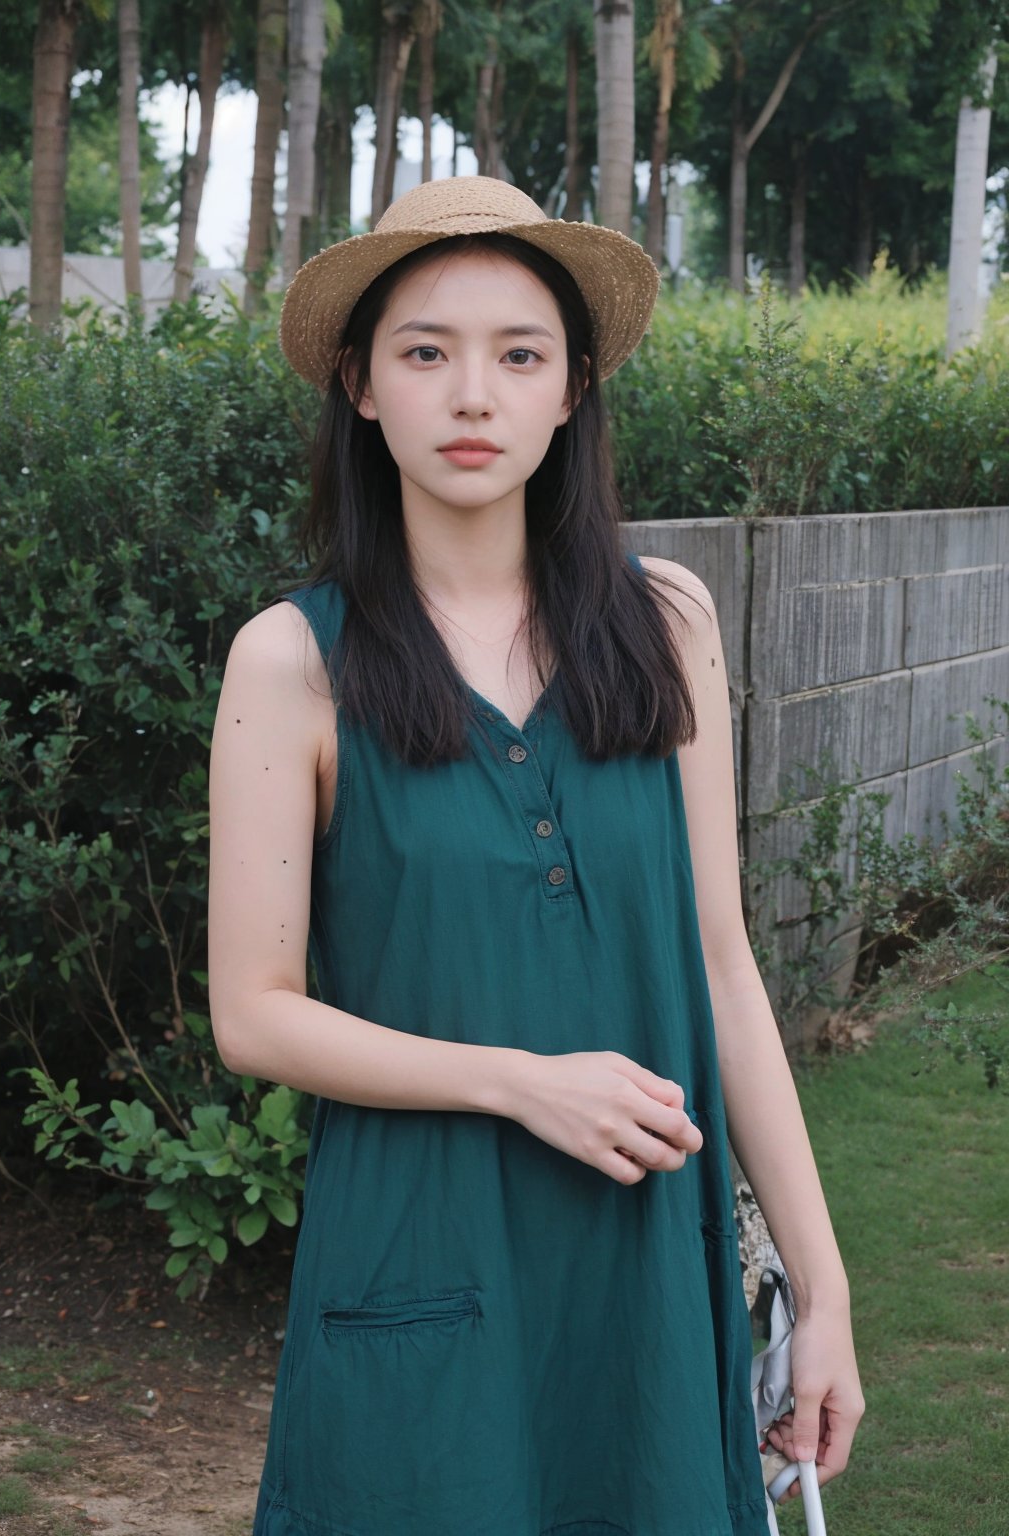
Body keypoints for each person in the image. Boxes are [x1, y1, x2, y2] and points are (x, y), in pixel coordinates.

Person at [208, 176, 863, 1536]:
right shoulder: (290, 660)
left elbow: (723, 972)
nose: (472, 395)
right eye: (425, 351)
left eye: (519, 354)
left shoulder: (667, 622)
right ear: (360, 383)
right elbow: (253, 1015)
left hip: (645, 1276)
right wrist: (522, 1085)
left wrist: (822, 1292)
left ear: (572, 392)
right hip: (420, 1259)